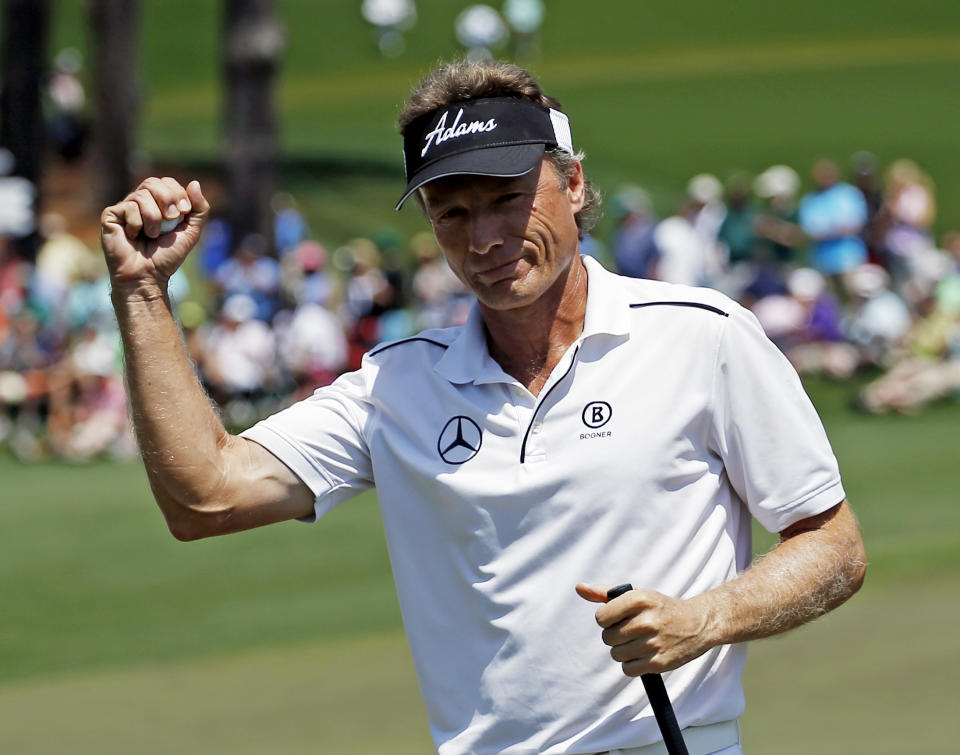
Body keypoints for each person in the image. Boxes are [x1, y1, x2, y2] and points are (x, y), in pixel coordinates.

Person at [100, 60, 865, 755]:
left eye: (507, 199)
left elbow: (833, 544)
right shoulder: (395, 388)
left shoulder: (701, 336)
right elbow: (203, 496)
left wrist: (705, 619)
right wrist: (141, 290)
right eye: (452, 213)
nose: (486, 237)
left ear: (572, 185)